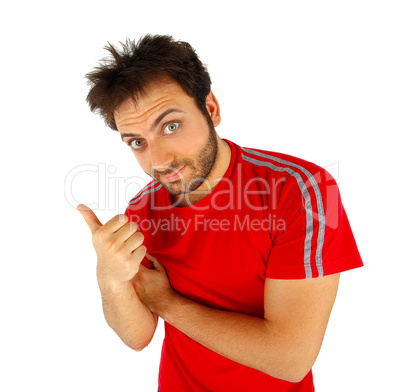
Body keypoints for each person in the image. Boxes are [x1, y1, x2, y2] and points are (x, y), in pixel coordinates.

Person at [78, 34, 364, 392]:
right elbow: (137, 337)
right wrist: (109, 277)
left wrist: (168, 303)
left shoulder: (303, 191)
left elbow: (291, 359)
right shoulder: (142, 208)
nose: (159, 161)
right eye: (137, 142)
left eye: (171, 126)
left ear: (210, 109)